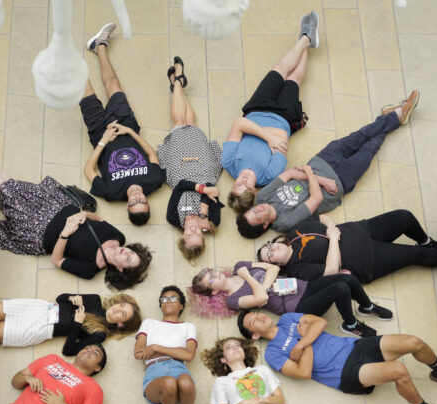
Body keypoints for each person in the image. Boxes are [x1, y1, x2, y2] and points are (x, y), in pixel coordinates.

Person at [0, 135, 152, 290]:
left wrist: (66, 233)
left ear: (120, 269)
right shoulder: (119, 237)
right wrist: (84, 215)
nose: (126, 252)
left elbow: (58, 260)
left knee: (5, 188)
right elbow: (98, 219)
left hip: (38, 230)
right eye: (131, 252)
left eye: (127, 259)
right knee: (9, 185)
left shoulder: (91, 268)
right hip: (56, 204)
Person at [239, 311, 437, 404]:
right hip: (345, 373)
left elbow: (320, 323)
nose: (259, 316)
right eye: (253, 321)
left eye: (256, 313)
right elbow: (304, 372)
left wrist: (301, 344)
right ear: (255, 335)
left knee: (414, 342)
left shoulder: (289, 318)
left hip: (354, 347)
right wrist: (302, 339)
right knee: (399, 370)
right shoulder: (273, 353)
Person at [238, 93, 420, 237]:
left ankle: (395, 116)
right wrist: (312, 175)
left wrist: (316, 177)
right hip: (340, 182)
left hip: (322, 162)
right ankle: (394, 115)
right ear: (264, 225)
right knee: (370, 147)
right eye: (258, 216)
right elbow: (316, 199)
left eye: (253, 210)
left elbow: (290, 174)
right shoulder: (284, 222)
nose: (258, 209)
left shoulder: (262, 198)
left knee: (359, 136)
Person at [224, 11, 320, 212]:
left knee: (279, 68)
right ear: (255, 191)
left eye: (237, 185)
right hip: (283, 116)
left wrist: (268, 139)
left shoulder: (229, 162)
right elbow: (282, 135)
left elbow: (238, 123)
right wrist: (262, 133)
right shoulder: (269, 175)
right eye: (246, 186)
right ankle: (306, 41)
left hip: (256, 107)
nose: (242, 180)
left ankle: (306, 38)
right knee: (294, 79)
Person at [80, 22, 166, 224]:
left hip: (99, 132)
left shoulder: (111, 192)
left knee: (86, 94)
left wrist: (103, 141)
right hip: (126, 125)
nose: (138, 197)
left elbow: (89, 170)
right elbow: (152, 155)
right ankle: (99, 45)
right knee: (114, 84)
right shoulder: (154, 181)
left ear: (127, 206)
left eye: (135, 202)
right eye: (143, 201)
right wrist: (131, 132)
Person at [190, 262, 392, 338]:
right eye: (211, 280)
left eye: (211, 272)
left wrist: (264, 287)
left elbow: (274, 268)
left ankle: (367, 307)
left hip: (303, 286)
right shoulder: (233, 300)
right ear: (214, 292)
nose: (215, 275)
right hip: (298, 306)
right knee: (340, 289)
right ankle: (351, 324)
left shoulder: (239, 266)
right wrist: (249, 277)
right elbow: (260, 298)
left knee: (347, 278)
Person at [257, 212, 437, 285]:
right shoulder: (297, 270)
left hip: (362, 230)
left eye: (269, 246)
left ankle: (426, 241)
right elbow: (331, 270)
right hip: (366, 260)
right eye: (269, 254)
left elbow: (321, 217)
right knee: (417, 255)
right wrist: (333, 239)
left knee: (404, 217)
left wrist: (332, 227)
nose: (272, 248)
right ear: (274, 264)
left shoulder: (294, 232)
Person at [157, 56, 224, 261]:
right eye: (198, 235)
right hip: (204, 168)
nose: (194, 230)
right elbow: (212, 185)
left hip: (180, 170)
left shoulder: (173, 218)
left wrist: (202, 191)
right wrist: (204, 213)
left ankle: (178, 81)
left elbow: (180, 188)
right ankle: (178, 83)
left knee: (178, 122)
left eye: (189, 234)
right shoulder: (213, 221)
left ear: (182, 235)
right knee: (192, 124)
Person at [135, 285, 202, 404]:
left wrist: (156, 348)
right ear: (161, 305)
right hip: (155, 371)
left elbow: (188, 355)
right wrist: (176, 351)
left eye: (173, 298)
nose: (167, 301)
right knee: (169, 383)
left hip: (179, 368)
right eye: (164, 299)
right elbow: (138, 353)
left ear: (181, 305)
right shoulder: (149, 323)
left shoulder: (188, 327)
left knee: (186, 382)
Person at [0, 293, 141, 353]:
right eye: (121, 305)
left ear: (121, 325)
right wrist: (70, 297)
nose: (117, 309)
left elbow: (69, 351)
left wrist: (77, 323)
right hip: (36, 308)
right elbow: (60, 298)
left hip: (37, 329)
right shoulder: (95, 300)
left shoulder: (100, 334)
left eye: (123, 313)